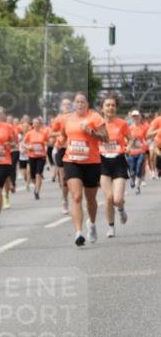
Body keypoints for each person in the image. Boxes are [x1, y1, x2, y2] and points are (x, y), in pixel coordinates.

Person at [58, 92, 108, 246]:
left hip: (92, 162)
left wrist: (91, 132)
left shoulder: (95, 117)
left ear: (87, 104)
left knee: (91, 199)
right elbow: (63, 136)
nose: (79, 104)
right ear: (74, 104)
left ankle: (91, 224)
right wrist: (61, 142)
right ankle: (78, 233)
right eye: (77, 102)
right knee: (77, 197)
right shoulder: (67, 119)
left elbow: (106, 138)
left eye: (83, 102)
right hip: (72, 161)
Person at [99, 93, 129, 238]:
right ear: (102, 108)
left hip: (118, 161)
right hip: (102, 161)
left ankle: (121, 209)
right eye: (107, 105)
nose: (110, 108)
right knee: (109, 197)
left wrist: (128, 146)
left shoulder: (122, 124)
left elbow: (130, 139)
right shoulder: (97, 125)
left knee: (117, 199)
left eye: (113, 105)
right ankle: (111, 227)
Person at [50, 97, 73, 214]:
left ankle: (72, 197)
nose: (67, 106)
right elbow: (51, 133)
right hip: (61, 149)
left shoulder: (76, 117)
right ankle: (64, 199)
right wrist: (62, 133)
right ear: (61, 106)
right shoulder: (59, 118)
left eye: (69, 104)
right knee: (63, 179)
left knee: (72, 177)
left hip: (73, 149)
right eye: (65, 104)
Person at [23, 116, 49, 199]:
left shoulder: (43, 133)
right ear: (33, 124)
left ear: (40, 124)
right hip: (32, 156)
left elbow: (47, 143)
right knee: (33, 176)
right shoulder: (29, 133)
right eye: (34, 123)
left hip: (41, 156)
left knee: (38, 175)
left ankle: (37, 192)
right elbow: (23, 143)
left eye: (37, 123)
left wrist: (45, 147)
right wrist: (28, 147)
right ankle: (36, 185)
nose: (36, 124)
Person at [127, 109, 148, 194]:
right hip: (132, 152)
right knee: (132, 169)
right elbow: (126, 138)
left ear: (140, 117)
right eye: (134, 116)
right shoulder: (129, 128)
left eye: (137, 116)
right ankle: (132, 178)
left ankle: (137, 186)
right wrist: (127, 145)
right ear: (132, 118)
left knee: (139, 168)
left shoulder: (144, 127)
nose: (135, 118)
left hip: (141, 151)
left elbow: (147, 138)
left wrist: (145, 145)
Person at [17, 114, 32, 191]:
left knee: (29, 171)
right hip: (22, 156)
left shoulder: (31, 135)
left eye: (26, 127)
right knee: (24, 173)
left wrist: (27, 147)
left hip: (29, 155)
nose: (25, 128)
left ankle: (27, 184)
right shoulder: (19, 135)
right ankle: (27, 180)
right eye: (23, 127)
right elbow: (17, 144)